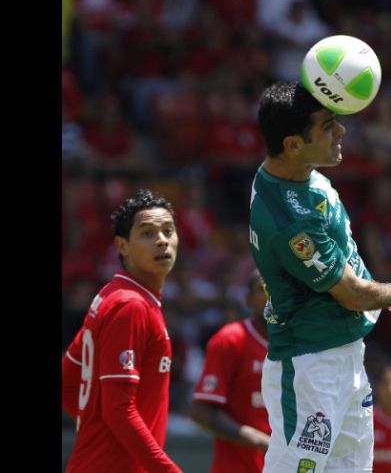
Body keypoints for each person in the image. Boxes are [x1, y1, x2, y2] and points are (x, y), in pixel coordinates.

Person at [249, 81, 391, 473]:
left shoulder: (299, 173)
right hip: (310, 365)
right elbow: (353, 294)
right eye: (327, 125)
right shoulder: (289, 220)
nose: (341, 131)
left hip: (345, 357)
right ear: (292, 144)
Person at [61, 189, 182, 472]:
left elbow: (67, 380)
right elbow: (118, 410)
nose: (162, 241)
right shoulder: (130, 306)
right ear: (122, 246)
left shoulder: (113, 295)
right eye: (148, 233)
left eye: (168, 230)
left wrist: (94, 427)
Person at [189, 269, 272, 472]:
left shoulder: (301, 344)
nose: (272, 297)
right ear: (248, 299)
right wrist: (259, 440)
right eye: (263, 290)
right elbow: (201, 411)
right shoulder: (231, 340)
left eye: (277, 289)